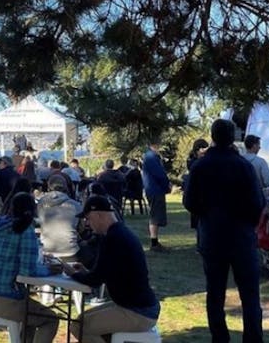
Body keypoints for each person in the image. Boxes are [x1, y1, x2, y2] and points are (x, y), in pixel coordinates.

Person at [183, 118, 265, 343]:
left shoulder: (201, 166)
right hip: (241, 236)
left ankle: (219, 337)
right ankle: (253, 338)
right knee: (250, 294)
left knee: (215, 292)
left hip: (213, 235)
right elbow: (258, 202)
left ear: (213, 136)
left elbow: (189, 201)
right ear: (233, 138)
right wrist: (247, 222)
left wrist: (207, 214)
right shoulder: (244, 167)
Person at [63, 195, 160, 343]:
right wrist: (84, 272)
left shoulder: (113, 238)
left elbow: (95, 280)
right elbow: (103, 273)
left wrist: (73, 273)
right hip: (138, 305)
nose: (87, 224)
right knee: (80, 320)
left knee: (78, 326)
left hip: (137, 311)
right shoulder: (119, 232)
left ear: (99, 215)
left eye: (88, 219)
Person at [0, 192, 59, 343]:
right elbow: (28, 272)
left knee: (31, 317)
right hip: (5, 300)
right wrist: (50, 270)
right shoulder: (24, 231)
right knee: (50, 319)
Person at [37, 174, 83, 259]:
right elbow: (81, 228)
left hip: (47, 250)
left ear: (49, 186)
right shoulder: (76, 205)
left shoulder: (41, 203)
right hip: (70, 251)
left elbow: (39, 220)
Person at [142, 140, 171, 251]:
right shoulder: (151, 157)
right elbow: (159, 174)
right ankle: (154, 243)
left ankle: (155, 242)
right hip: (155, 189)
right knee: (155, 215)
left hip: (153, 189)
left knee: (155, 215)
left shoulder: (151, 156)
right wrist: (166, 185)